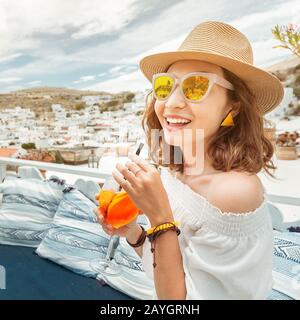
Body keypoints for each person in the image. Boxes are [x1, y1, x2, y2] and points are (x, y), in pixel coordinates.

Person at [96, 21, 284, 299]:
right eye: (165, 86)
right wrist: (133, 232)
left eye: (196, 86)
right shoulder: (176, 169)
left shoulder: (234, 193)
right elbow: (165, 264)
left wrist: (160, 217)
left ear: (233, 106)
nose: (171, 102)